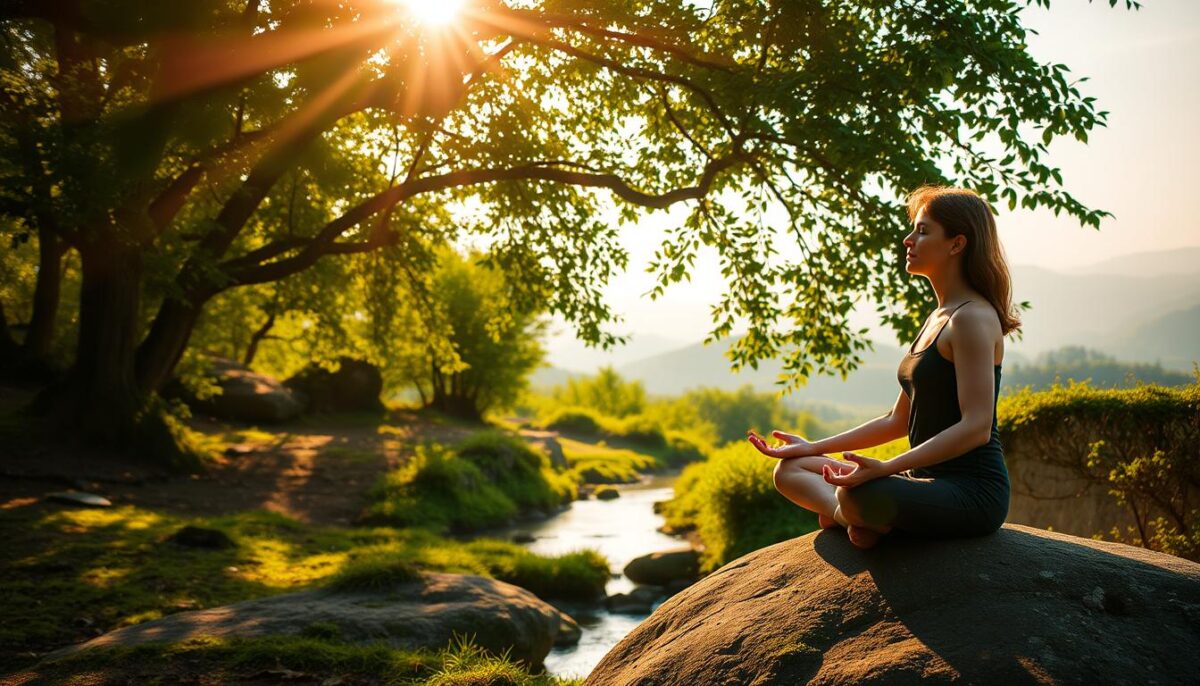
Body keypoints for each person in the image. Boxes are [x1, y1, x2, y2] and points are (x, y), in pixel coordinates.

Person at [747, 185, 1018, 550]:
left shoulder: (972, 318)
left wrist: (886, 469)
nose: (908, 240)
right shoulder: (938, 317)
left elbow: (976, 427)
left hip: (970, 492)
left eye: (923, 231)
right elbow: (897, 420)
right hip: (919, 482)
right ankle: (851, 517)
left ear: (957, 244)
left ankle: (852, 513)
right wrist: (811, 447)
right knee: (791, 470)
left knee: (859, 496)